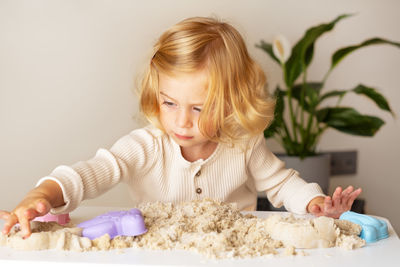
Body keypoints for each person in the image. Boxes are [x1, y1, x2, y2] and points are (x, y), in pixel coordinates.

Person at [0, 17, 361, 238]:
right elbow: (91, 172)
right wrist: (42, 195)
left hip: (231, 252)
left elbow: (282, 184)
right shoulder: (146, 146)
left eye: (199, 108)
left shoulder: (244, 144)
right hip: (159, 253)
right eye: (168, 102)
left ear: (232, 102)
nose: (180, 120)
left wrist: (314, 202)